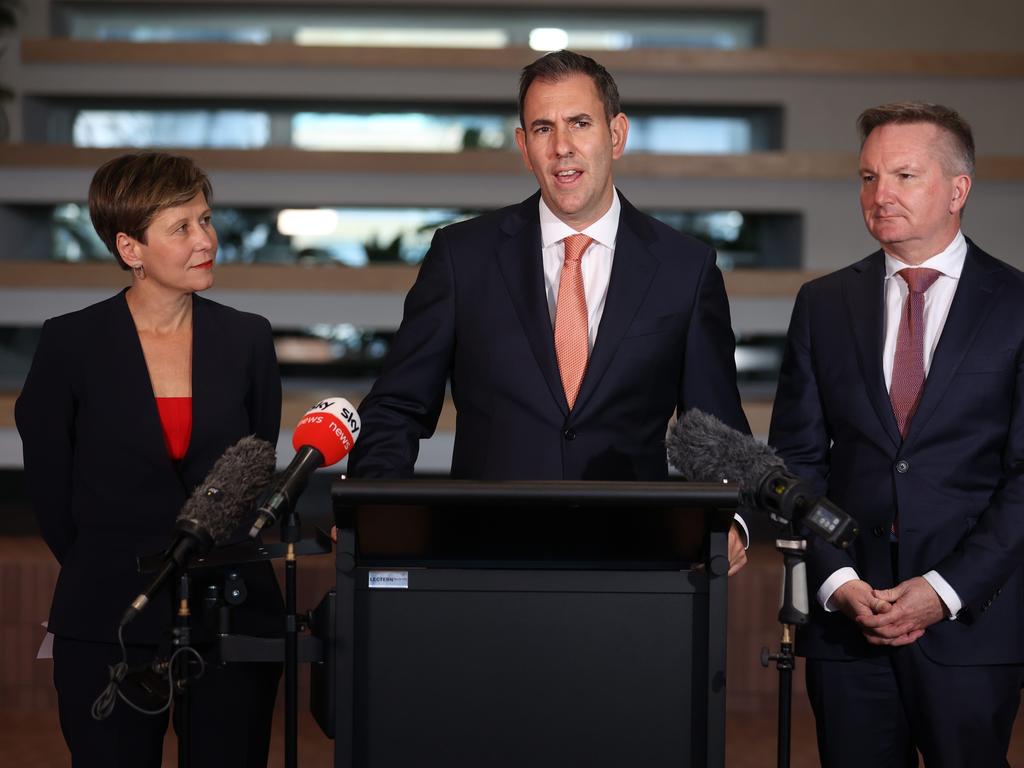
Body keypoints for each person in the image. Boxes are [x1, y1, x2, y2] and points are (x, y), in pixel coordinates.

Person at [347, 50, 750, 573]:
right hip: (484, 562)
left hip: (634, 568)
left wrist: (730, 525)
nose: (562, 147)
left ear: (617, 134)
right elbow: (397, 408)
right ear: (523, 147)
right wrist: (375, 513)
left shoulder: (686, 268)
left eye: (580, 123)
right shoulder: (461, 257)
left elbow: (715, 427)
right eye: (543, 128)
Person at [769, 102, 1024, 767]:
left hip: (972, 627)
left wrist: (942, 592)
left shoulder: (1018, 305)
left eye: (904, 176)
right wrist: (836, 579)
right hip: (848, 626)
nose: (880, 196)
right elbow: (796, 463)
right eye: (867, 177)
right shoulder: (822, 305)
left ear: (958, 189)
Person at [16, 152, 283, 767]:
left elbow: (251, 467)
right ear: (130, 248)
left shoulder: (248, 338)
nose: (206, 240)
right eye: (182, 227)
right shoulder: (69, 343)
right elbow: (53, 498)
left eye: (207, 221)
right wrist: (114, 566)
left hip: (231, 612)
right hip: (107, 613)